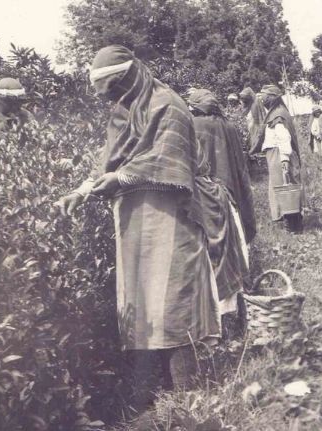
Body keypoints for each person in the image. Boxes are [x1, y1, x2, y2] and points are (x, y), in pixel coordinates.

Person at [54, 46, 221, 397]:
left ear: (128, 77)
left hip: (172, 213)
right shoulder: (123, 111)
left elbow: (169, 158)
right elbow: (108, 164)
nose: (110, 99)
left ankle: (188, 394)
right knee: (142, 297)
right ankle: (148, 392)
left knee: (175, 298)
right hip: (135, 219)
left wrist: (123, 179)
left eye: (113, 89)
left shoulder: (167, 104)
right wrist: (81, 192)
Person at [187, 89, 257, 314]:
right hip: (230, 190)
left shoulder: (193, 125)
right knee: (234, 241)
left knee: (210, 248)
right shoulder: (229, 126)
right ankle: (238, 297)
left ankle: (214, 309)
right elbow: (240, 166)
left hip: (203, 193)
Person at [256, 84, 304, 232]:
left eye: (264, 95)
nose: (262, 99)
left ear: (271, 98)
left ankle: (291, 225)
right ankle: (291, 222)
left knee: (284, 188)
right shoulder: (276, 113)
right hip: (275, 155)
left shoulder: (278, 115)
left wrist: (284, 159)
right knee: (282, 187)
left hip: (279, 155)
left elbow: (284, 138)